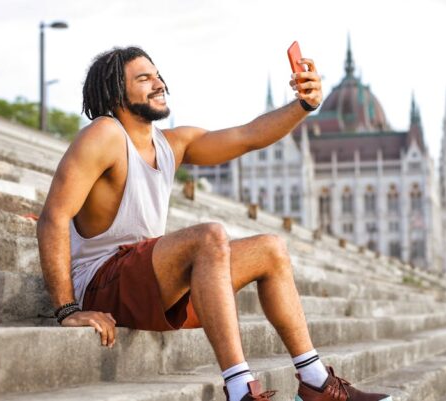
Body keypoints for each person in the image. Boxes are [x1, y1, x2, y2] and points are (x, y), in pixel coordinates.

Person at [36, 46, 392, 401]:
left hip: (148, 283)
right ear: (116, 93)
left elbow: (248, 136)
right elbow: (53, 216)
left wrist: (304, 105)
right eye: (143, 79)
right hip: (104, 283)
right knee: (209, 235)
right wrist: (67, 309)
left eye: (158, 75)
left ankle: (316, 382)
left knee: (270, 249)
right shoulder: (104, 133)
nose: (158, 84)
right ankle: (240, 390)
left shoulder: (172, 144)